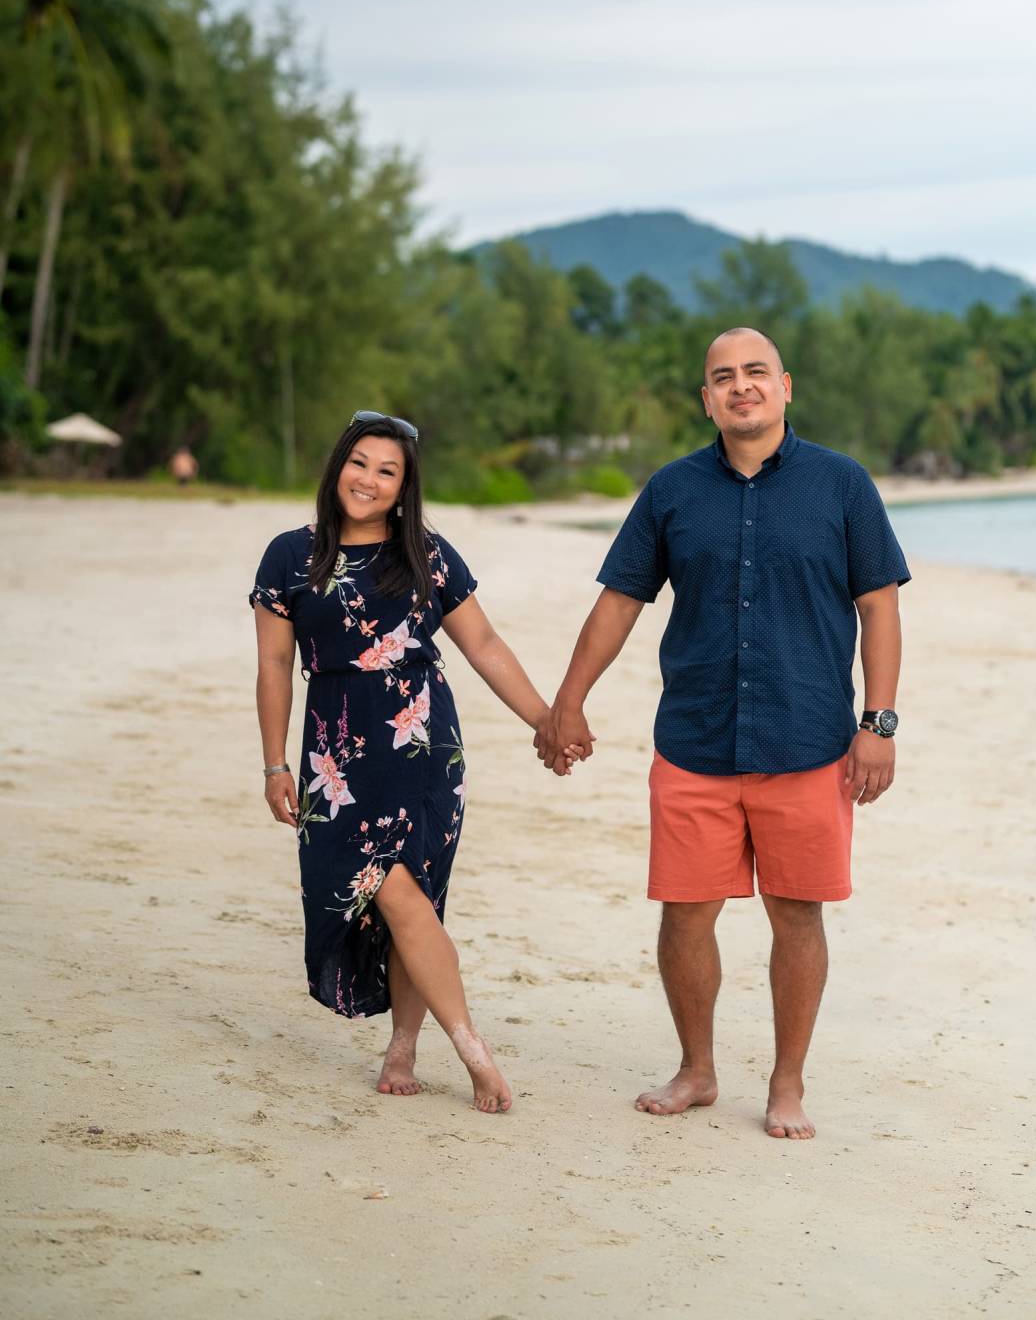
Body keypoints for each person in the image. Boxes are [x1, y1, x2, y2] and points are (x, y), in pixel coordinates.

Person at [534, 328, 909, 1140]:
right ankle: (696, 1070)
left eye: (756, 373)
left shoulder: (842, 484)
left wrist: (878, 724)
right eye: (724, 377)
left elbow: (879, 605)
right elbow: (620, 601)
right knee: (683, 916)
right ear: (707, 399)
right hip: (695, 742)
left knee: (798, 917)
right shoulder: (671, 490)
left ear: (785, 386)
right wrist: (569, 699)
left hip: (810, 742)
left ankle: (787, 1083)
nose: (742, 386)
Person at [250, 410, 566, 1115]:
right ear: (338, 466)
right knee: (376, 893)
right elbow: (273, 664)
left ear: (404, 486)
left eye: (386, 471)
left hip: (420, 748)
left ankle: (440, 1049)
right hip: (334, 754)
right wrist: (274, 765)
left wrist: (545, 719)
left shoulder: (426, 553)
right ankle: (438, 1044)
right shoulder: (289, 556)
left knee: (410, 896)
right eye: (359, 463)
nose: (368, 480)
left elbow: (483, 645)